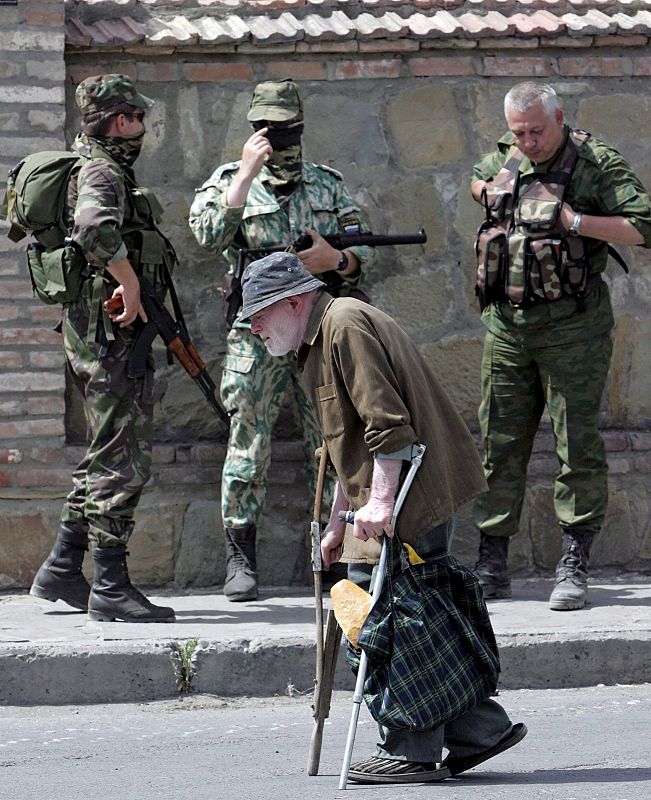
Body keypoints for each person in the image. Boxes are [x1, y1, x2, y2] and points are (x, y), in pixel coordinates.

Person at [239, 251, 527, 785]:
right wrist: (337, 521)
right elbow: (344, 446)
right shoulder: (317, 341)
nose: (254, 328)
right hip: (385, 495)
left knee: (390, 621)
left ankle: (410, 750)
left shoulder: (344, 325)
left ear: (294, 302)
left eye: (259, 314)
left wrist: (379, 504)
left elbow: (388, 426)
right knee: (418, 617)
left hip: (409, 493)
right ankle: (479, 731)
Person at [188, 79, 375, 602]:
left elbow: (365, 248)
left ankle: (333, 554)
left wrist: (336, 259)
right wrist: (245, 177)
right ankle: (240, 557)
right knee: (248, 441)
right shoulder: (230, 181)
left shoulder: (326, 186)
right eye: (266, 127)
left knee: (333, 441)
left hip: (318, 331)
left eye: (285, 127)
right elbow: (207, 236)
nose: (276, 137)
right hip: (257, 333)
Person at [470, 82, 651, 610]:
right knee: (499, 444)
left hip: (573, 329)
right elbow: (477, 179)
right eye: (518, 132)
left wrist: (574, 220)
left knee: (577, 445)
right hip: (507, 327)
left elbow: (642, 224)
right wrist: (489, 192)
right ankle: (491, 562)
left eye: (536, 131)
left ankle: (574, 561)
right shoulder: (508, 154)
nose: (527, 142)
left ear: (559, 118)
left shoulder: (595, 163)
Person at [30, 74, 176, 622]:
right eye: (137, 119)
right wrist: (130, 282)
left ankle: (63, 567)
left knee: (105, 449)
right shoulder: (100, 170)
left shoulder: (90, 164)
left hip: (97, 332)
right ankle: (111, 585)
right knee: (124, 455)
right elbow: (93, 228)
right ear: (120, 121)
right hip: (110, 335)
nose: (142, 129)